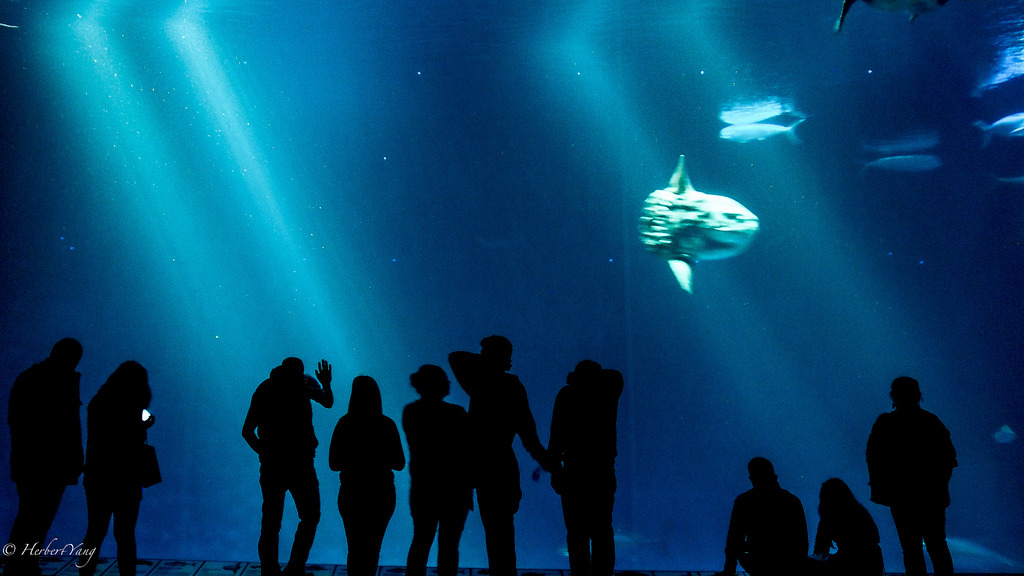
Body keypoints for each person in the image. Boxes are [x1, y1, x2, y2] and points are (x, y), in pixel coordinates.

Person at [448, 336, 551, 576]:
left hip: (483, 467)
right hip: (503, 465)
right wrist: (549, 462)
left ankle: (500, 574)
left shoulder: (478, 383)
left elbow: (456, 357)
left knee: (494, 531)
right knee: (502, 531)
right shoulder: (511, 386)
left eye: (486, 352)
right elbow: (529, 435)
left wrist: (489, 362)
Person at [242, 358, 334, 576]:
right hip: (301, 464)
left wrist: (264, 454)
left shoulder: (265, 389)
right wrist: (326, 384)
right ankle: (294, 568)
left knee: (271, 521)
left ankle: (270, 571)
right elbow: (328, 402)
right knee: (310, 517)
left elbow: (247, 431)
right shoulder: (303, 385)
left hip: (273, 466)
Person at [6, 338, 85, 576]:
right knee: (37, 517)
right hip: (51, 464)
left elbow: (17, 422)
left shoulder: (29, 378)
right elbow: (68, 426)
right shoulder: (60, 382)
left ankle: (19, 565)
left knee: (29, 516)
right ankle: (23, 565)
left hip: (29, 462)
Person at [866, 376, 957, 576]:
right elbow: (949, 461)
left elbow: (873, 458)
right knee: (937, 546)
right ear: (918, 395)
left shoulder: (886, 423)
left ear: (893, 396)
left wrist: (882, 489)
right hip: (931, 497)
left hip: (901, 498)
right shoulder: (931, 422)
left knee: (911, 548)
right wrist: (939, 488)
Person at [78, 361, 154, 576]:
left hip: (98, 474)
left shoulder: (98, 402)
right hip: (127, 476)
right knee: (126, 533)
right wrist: (144, 426)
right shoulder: (132, 407)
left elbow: (102, 437)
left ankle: (85, 573)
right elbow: (127, 439)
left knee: (95, 530)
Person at [548, 360, 623, 576]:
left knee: (576, 533)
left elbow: (555, 435)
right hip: (602, 471)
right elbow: (614, 374)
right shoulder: (608, 392)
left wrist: (555, 471)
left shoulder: (567, 395)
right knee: (602, 531)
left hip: (574, 472)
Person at [329, 376, 405, 576]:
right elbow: (400, 464)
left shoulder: (344, 423)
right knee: (373, 549)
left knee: (354, 548)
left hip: (351, 492)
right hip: (382, 493)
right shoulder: (387, 424)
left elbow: (333, 464)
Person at [402, 365, 473, 576]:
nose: (449, 383)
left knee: (421, 542)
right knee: (449, 547)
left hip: (423, 488)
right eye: (445, 379)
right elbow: (468, 450)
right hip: (455, 490)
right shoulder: (457, 413)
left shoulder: (411, 411)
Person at [718, 457, 808, 576]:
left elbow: (734, 539)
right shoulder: (792, 501)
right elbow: (802, 542)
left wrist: (729, 570)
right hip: (788, 567)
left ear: (752, 478)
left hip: (757, 564)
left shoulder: (744, 501)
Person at [807, 478, 884, 576]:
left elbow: (820, 550)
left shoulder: (829, 515)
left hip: (852, 561)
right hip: (873, 561)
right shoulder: (860, 512)